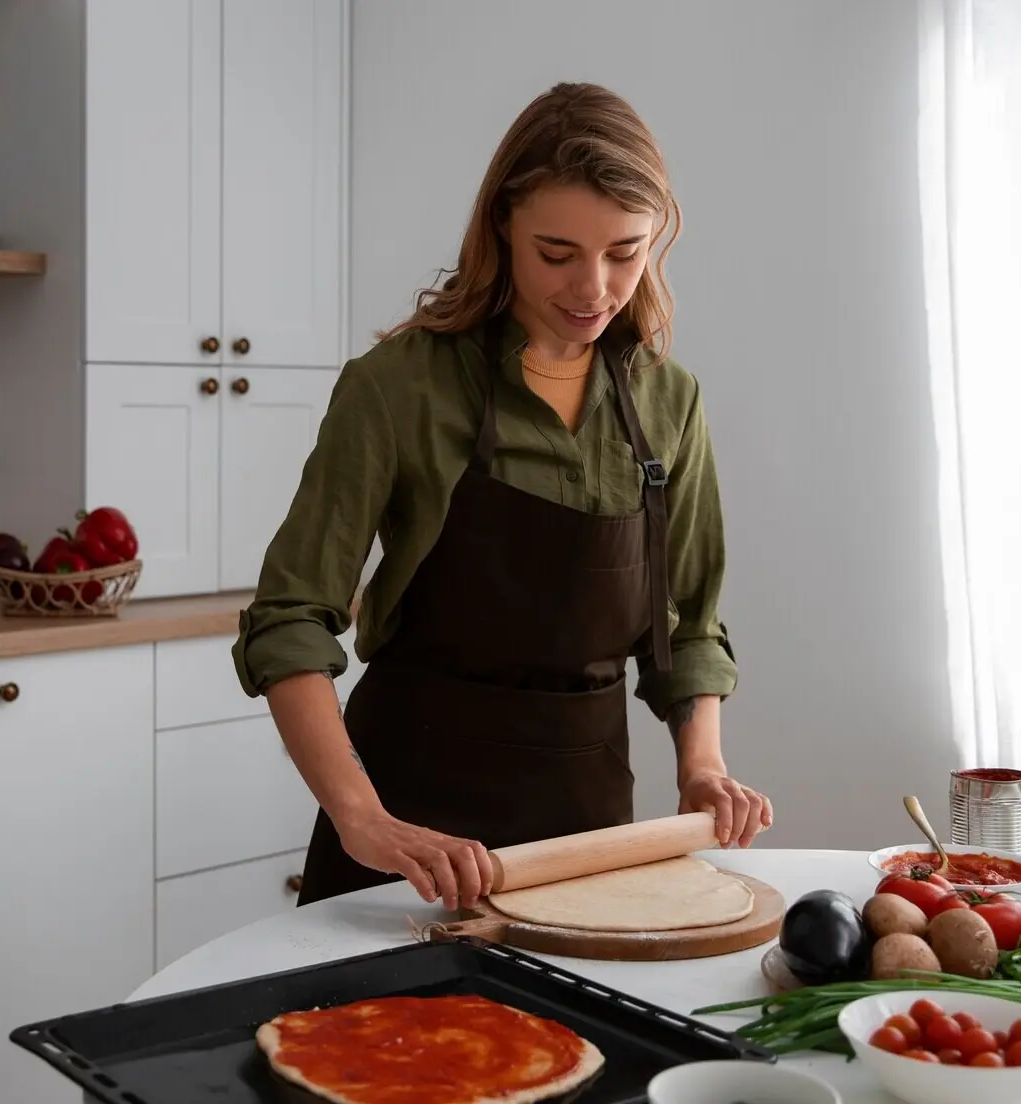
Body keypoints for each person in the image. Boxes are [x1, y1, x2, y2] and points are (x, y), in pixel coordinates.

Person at [232, 81, 773, 913]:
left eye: (624, 252)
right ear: (501, 231)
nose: (594, 287)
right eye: (557, 252)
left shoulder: (671, 401)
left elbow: (688, 627)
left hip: (589, 828)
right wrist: (361, 816)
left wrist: (702, 770)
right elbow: (289, 619)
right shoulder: (399, 387)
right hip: (413, 821)